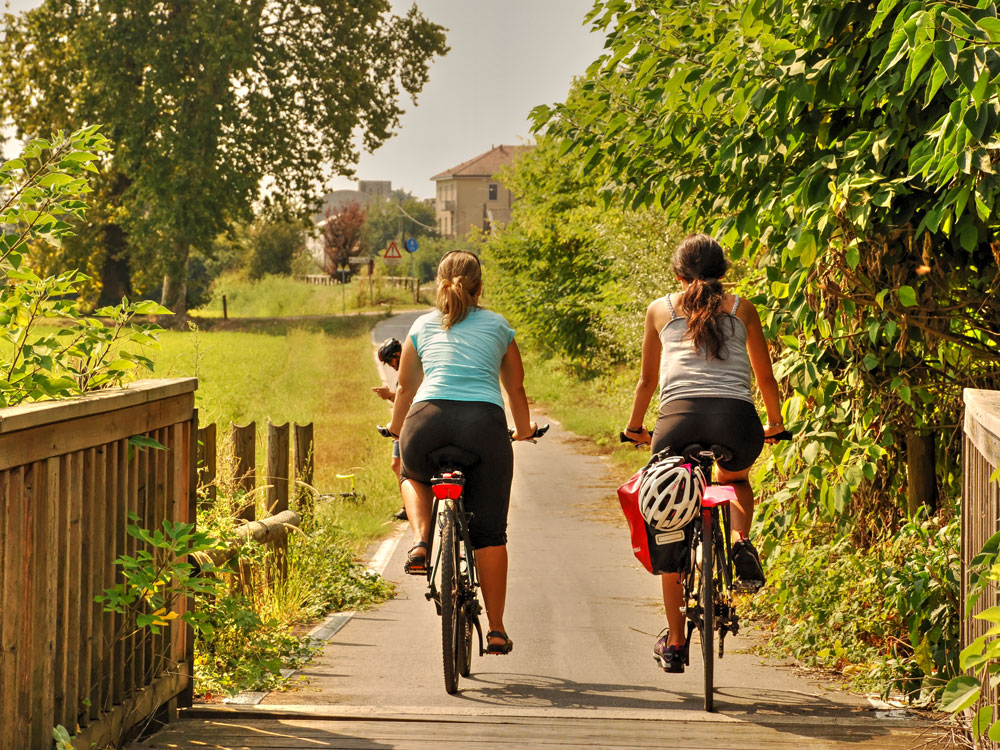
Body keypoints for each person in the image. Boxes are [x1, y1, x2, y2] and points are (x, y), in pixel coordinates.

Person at [622, 233, 784, 674]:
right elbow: (765, 378)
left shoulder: (661, 309)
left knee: (670, 529)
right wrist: (775, 424)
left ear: (677, 274)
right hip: (738, 421)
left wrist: (635, 428)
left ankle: (675, 643)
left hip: (678, 421)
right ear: (724, 272)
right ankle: (738, 540)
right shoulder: (741, 308)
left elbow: (646, 382)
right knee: (735, 480)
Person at [386, 249, 537, 656]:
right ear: (480, 287)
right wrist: (523, 431)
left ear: (438, 284)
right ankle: (497, 630)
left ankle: (420, 541)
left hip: (427, 422)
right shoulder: (499, 326)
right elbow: (515, 389)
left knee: (412, 474)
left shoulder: (421, 325)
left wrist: (397, 429)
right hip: (483, 427)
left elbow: (405, 389)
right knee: (490, 534)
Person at [373, 337, 406, 521]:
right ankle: (407, 506)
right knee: (396, 465)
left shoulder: (410, 370)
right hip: (399, 426)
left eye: (389, 360)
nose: (390, 365)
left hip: (406, 427)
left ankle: (412, 506)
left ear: (398, 355)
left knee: (402, 466)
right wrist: (389, 396)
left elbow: (411, 398)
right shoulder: (402, 372)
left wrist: (389, 395)